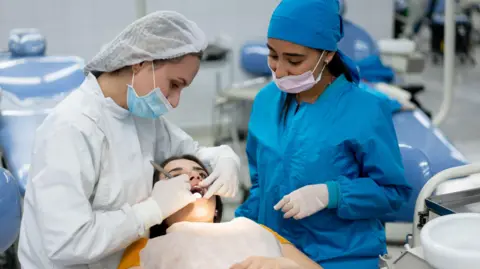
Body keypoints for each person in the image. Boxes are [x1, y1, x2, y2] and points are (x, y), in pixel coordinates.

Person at [18, 11, 240, 269]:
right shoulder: (71, 128)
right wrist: (152, 210)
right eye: (174, 84)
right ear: (141, 63)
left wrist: (225, 157)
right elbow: (66, 243)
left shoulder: (142, 117)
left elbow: (192, 153)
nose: (175, 101)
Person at [235, 1, 413, 269]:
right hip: (275, 246)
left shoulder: (365, 109)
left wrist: (332, 194)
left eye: (294, 60)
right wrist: (240, 226)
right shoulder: (266, 101)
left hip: (341, 255)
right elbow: (260, 184)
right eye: (272, 56)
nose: (280, 70)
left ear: (327, 55)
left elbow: (393, 192)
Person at [117, 155, 323, 269]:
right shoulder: (144, 249)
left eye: (201, 175)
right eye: (176, 177)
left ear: (217, 207)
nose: (195, 178)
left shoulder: (254, 230)